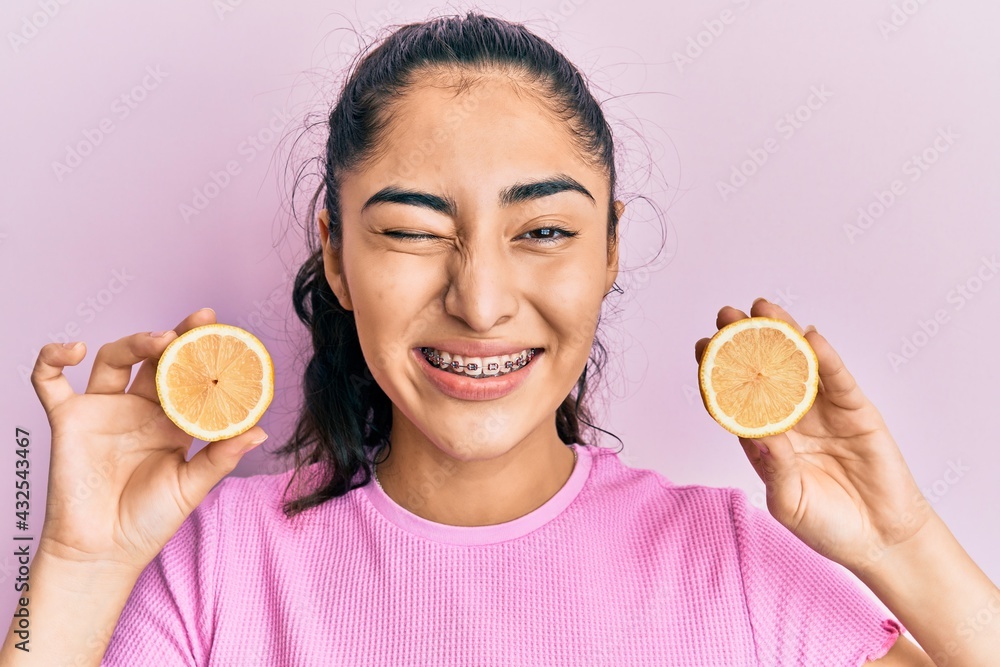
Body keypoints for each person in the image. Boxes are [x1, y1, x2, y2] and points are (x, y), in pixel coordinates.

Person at [3, 11, 997, 667]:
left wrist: (903, 546)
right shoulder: (211, 568)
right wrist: (81, 569)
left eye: (545, 233)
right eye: (411, 232)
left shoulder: (734, 565)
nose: (480, 299)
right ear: (338, 257)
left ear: (608, 253)